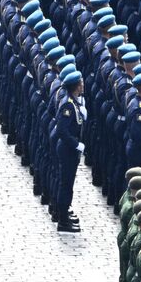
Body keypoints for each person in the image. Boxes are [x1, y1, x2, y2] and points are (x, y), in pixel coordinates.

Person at [53, 68, 85, 232]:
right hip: (67, 149)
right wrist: (75, 144)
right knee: (65, 185)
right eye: (81, 83)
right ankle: (63, 221)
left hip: (69, 149)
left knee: (67, 184)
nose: (83, 85)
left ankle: (64, 214)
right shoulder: (68, 105)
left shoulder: (73, 102)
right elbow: (62, 130)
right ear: (77, 86)